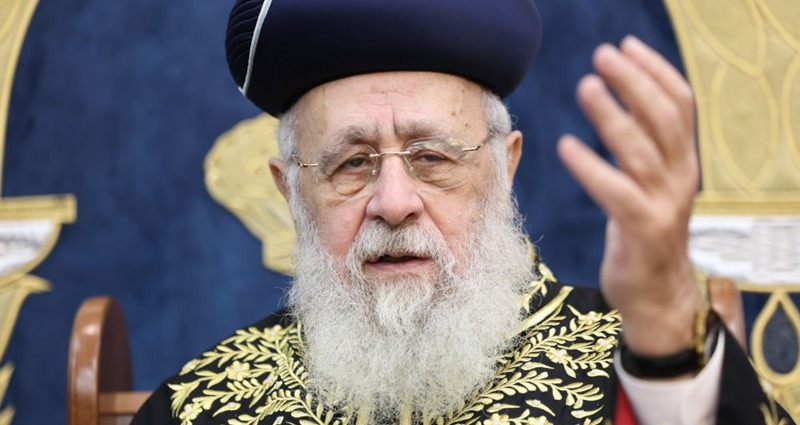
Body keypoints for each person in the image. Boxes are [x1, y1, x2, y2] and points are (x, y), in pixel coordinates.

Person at [132, 0, 793, 424]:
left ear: (504, 168)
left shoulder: (648, 355)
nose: (394, 203)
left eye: (432, 157)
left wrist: (665, 330)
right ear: (291, 192)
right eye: (352, 163)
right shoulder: (198, 407)